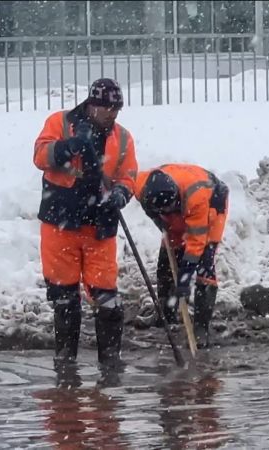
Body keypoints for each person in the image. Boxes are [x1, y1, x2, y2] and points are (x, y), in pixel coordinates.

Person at [33, 78, 137, 368]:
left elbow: (129, 175)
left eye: (116, 109)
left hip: (99, 226)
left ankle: (110, 365)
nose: (112, 115)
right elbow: (40, 156)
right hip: (60, 223)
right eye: (107, 109)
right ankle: (66, 364)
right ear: (92, 105)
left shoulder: (123, 138)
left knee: (107, 300)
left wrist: (121, 193)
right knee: (64, 299)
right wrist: (68, 147)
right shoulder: (59, 122)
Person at [134, 164, 229, 348]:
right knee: (167, 258)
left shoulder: (197, 198)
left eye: (169, 207)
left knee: (205, 261)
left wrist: (184, 278)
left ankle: (200, 328)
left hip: (212, 202)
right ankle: (165, 314)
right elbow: (124, 184)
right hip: (176, 206)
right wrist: (160, 219)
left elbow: (195, 244)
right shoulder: (142, 186)